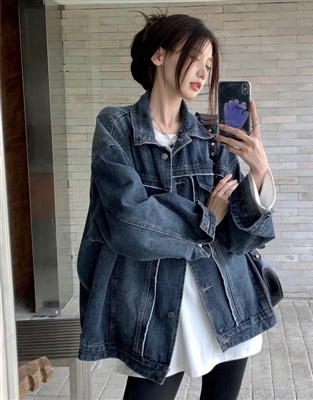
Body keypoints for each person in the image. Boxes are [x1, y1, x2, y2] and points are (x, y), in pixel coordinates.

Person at [77, 12, 277, 400]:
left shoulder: (212, 138)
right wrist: (206, 219)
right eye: (194, 57)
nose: (203, 72)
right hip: (154, 314)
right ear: (159, 55)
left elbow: (239, 238)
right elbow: (128, 223)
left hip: (228, 302)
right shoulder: (117, 127)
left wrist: (259, 172)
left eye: (209, 65)